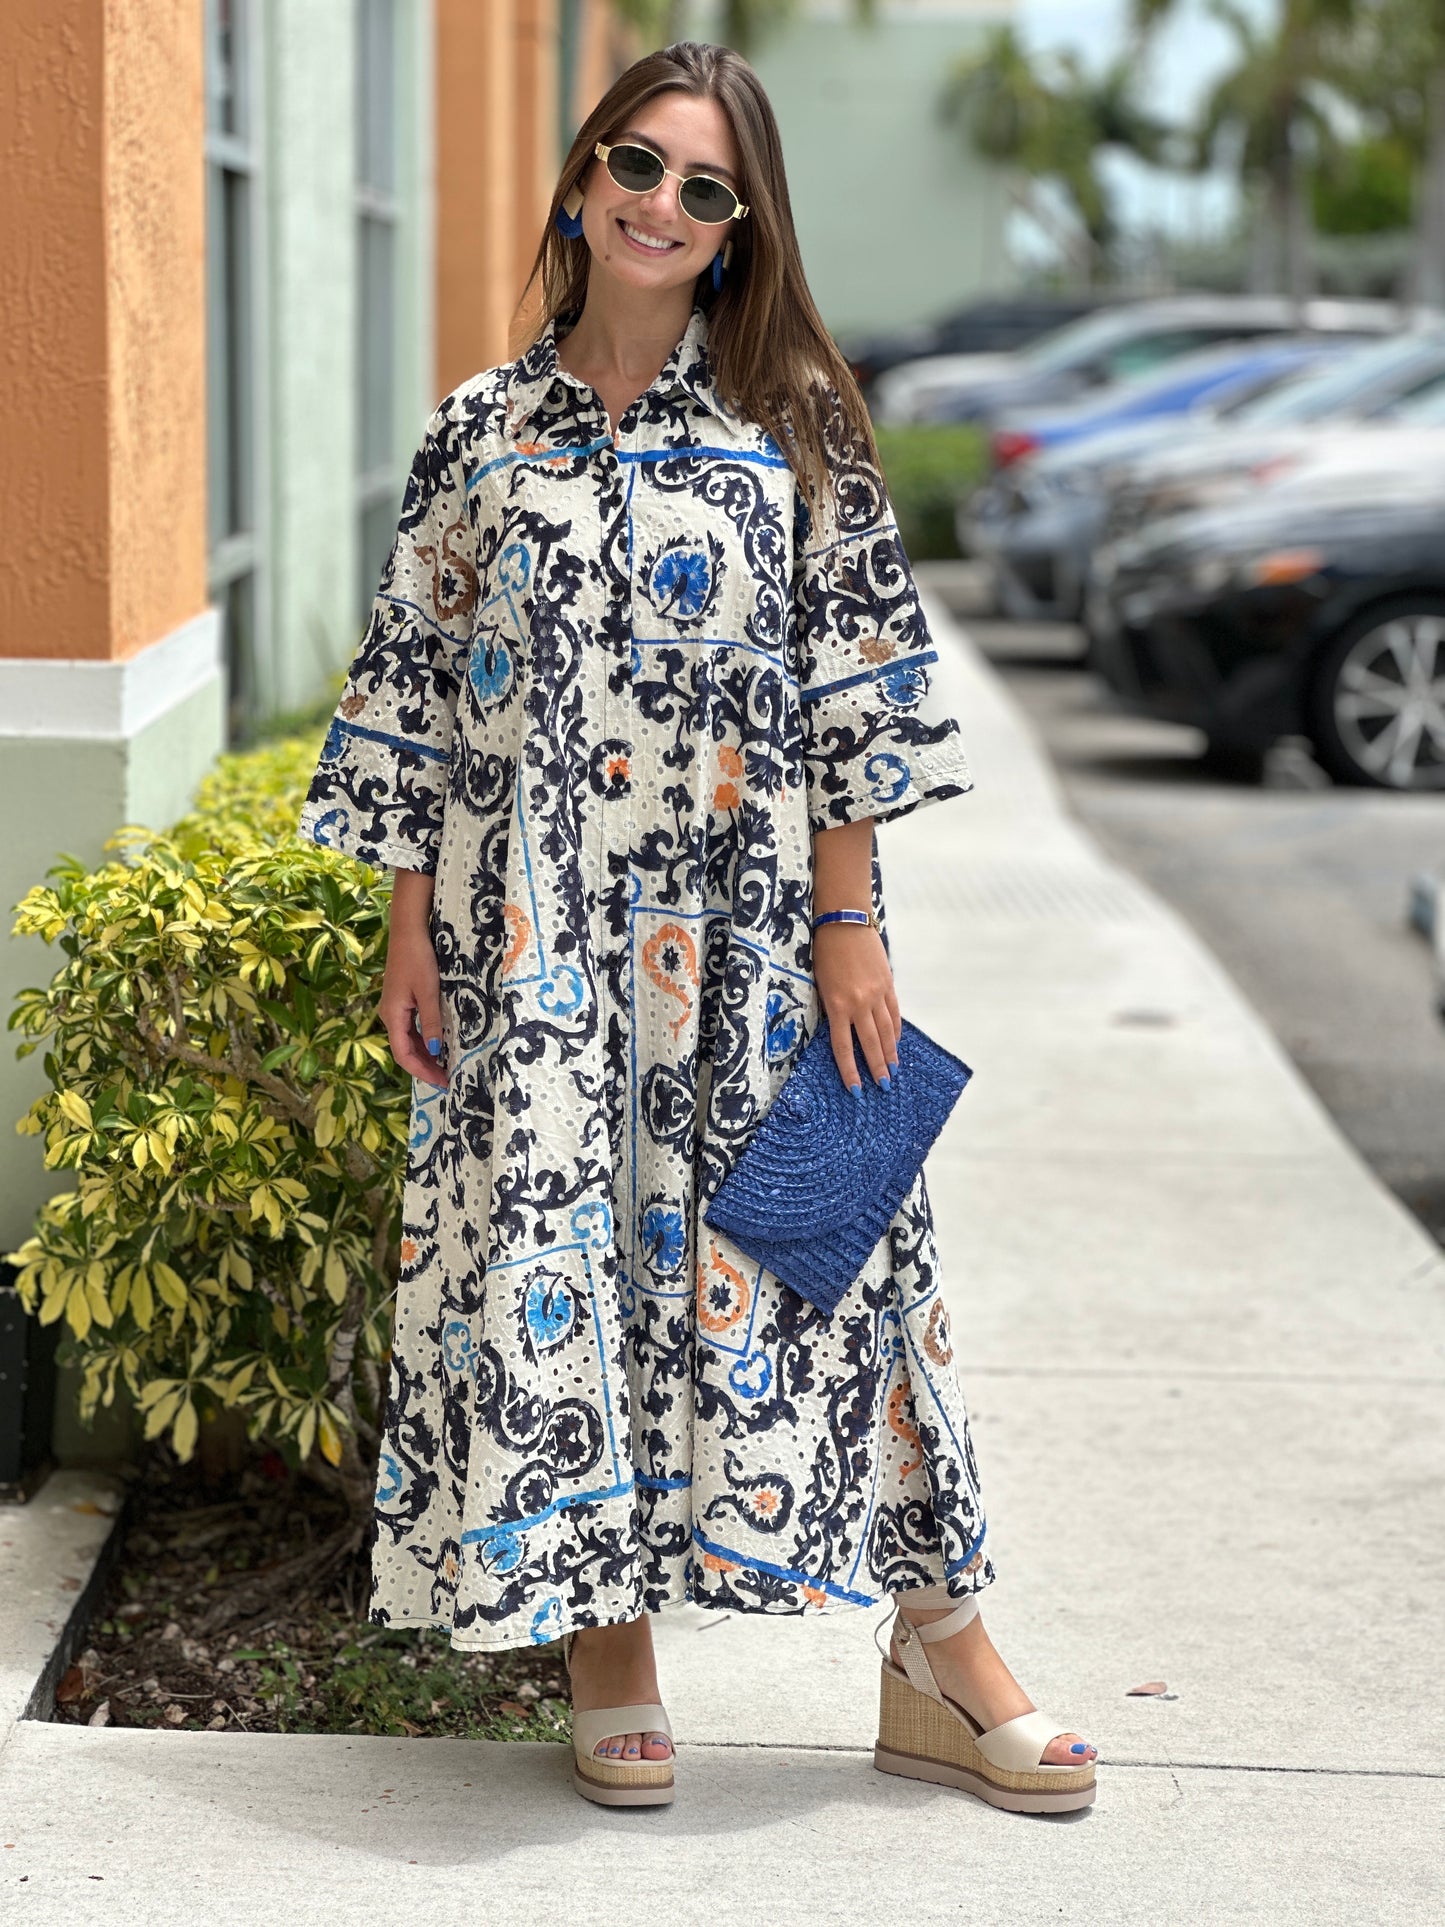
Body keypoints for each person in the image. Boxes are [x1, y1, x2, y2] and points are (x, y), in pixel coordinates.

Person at [298, 38, 1098, 1816]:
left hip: (752, 944)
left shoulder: (797, 418)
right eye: (635, 166)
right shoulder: (474, 434)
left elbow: (853, 701)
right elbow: (416, 692)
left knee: (847, 1269)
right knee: (566, 1268)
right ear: (581, 180)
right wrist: (410, 920)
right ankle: (608, 1646)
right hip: (539, 954)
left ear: (737, 232)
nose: (661, 204)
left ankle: (941, 1648)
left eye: (705, 188)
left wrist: (851, 925)